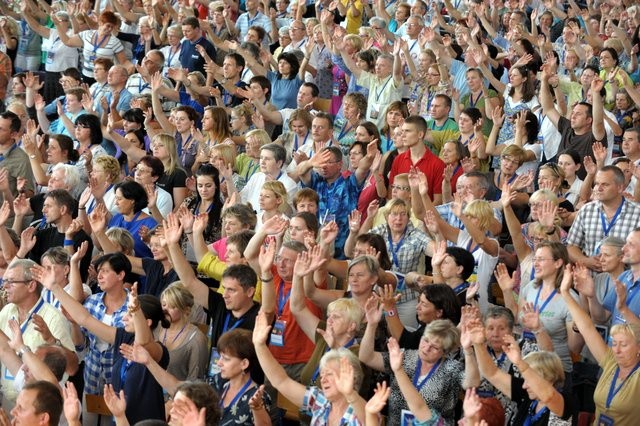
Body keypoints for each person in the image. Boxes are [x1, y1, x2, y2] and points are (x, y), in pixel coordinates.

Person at [33, 262, 170, 424]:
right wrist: (55, 287)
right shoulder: (124, 337)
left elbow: (143, 342)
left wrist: (136, 309)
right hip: (120, 419)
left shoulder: (158, 350)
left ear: (146, 322)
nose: (124, 317)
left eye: (130, 314)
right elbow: (85, 318)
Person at [253, 310, 366, 424]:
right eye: (321, 375)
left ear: (351, 376)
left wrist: (350, 394)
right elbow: (281, 381)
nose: (323, 379)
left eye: (330, 374)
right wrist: (259, 345)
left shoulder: (361, 415)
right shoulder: (321, 402)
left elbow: (369, 419)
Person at [360, 307, 466, 426]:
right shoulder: (404, 356)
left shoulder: (452, 368)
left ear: (445, 351)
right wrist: (371, 325)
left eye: (435, 347)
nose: (426, 348)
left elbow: (473, 383)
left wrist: (470, 349)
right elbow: (366, 357)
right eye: (425, 340)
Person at [0, 259, 74, 409]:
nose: (5, 286)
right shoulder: (7, 311)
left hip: (39, 405)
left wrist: (52, 339)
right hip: (8, 401)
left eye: (12, 281)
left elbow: (71, 367)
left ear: (31, 285)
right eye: (5, 281)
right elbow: (4, 350)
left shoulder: (53, 317)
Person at [469, 320, 573, 425]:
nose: (524, 386)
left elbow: (549, 396)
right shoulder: (529, 396)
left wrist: (520, 363)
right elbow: (492, 373)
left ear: (549, 377)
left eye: (528, 379)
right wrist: (478, 344)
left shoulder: (565, 402)